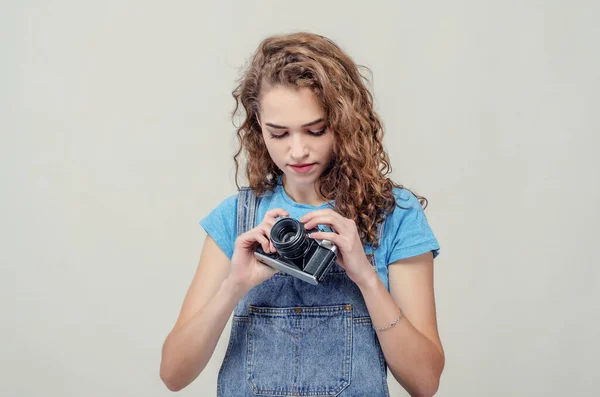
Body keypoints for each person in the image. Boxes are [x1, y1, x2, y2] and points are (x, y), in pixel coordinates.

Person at [160, 32, 445, 397]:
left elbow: (425, 382)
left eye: (315, 130)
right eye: (278, 134)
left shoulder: (394, 215)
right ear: (257, 127)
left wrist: (367, 279)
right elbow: (173, 374)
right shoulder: (236, 217)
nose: (297, 151)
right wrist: (235, 286)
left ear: (344, 121)